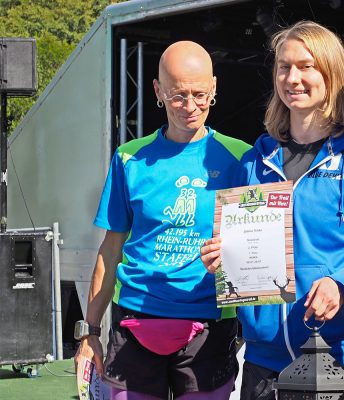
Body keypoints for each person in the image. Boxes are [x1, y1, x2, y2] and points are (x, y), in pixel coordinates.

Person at [201, 21, 344, 400]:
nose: (292, 77)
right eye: (284, 66)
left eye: (306, 66)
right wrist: (222, 258)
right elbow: (241, 254)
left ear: (330, 73)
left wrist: (342, 286)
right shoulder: (253, 162)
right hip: (264, 364)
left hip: (341, 361)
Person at [74, 41, 251, 400]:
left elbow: (258, 249)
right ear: (157, 91)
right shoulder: (129, 159)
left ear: (214, 87)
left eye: (200, 95)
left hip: (209, 327)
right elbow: (110, 251)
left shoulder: (241, 159)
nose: (190, 107)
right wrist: (89, 331)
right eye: (178, 96)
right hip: (134, 323)